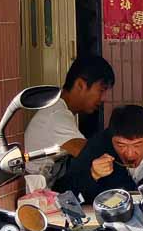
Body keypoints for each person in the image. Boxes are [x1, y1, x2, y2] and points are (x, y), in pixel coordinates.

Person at [58, 105, 143, 203]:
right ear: (111, 137)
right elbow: (63, 192)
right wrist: (92, 174)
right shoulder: (99, 144)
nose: (129, 154)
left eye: (138, 145)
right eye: (120, 145)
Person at [25, 54, 115, 182]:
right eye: (101, 90)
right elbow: (89, 154)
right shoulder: (56, 115)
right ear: (80, 85)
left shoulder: (59, 109)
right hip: (40, 194)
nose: (103, 98)